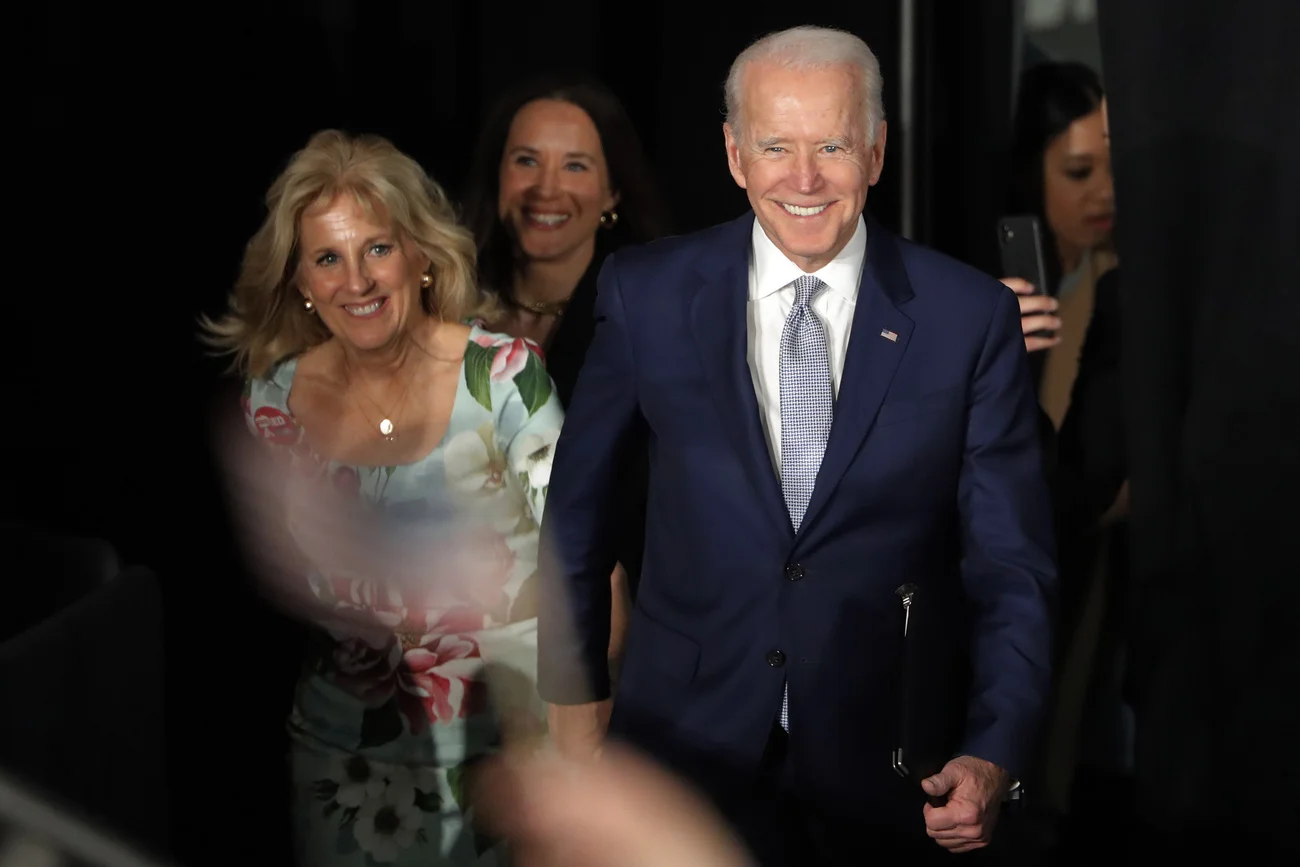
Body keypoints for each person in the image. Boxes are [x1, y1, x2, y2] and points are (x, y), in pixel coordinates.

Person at [536, 25, 1056, 866]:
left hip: (888, 773)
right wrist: (574, 712)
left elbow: (1012, 565)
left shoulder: (967, 319)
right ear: (736, 155)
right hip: (675, 760)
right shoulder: (647, 294)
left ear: (878, 151)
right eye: (775, 146)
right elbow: (576, 515)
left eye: (833, 146)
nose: (803, 179)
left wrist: (995, 748)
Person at [201, 129, 562, 866]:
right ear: (300, 280)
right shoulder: (271, 403)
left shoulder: (504, 378)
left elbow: (584, 570)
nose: (356, 280)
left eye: (377, 248)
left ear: (420, 256)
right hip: (345, 765)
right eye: (328, 258)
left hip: (514, 763)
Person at [461, 74, 673, 683]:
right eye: (525, 160)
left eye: (575, 166)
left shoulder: (655, 319)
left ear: (612, 192)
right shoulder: (444, 309)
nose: (545, 189)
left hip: (604, 643)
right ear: (498, 174)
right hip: (459, 636)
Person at [1001, 61, 1116, 428]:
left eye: (1115, 169)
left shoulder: (1122, 273)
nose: (1106, 192)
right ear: (1031, 172)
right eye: (1079, 172)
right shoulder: (989, 291)